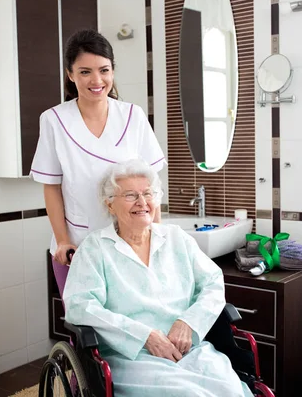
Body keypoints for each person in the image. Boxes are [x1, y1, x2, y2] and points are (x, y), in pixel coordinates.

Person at [63, 159, 253, 397]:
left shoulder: (176, 238)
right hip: (131, 356)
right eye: (131, 195)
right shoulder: (94, 248)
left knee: (230, 389)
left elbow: (213, 282)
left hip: (189, 348)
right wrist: (144, 336)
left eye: (148, 194)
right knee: (188, 394)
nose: (142, 202)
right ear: (110, 205)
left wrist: (189, 323)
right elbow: (80, 307)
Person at [30, 29, 166, 278]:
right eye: (85, 72)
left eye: (104, 70)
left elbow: (152, 185)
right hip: (78, 246)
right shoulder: (54, 120)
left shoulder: (132, 116)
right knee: (84, 316)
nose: (97, 80)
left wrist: (155, 236)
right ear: (70, 74)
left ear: (112, 71)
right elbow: (51, 187)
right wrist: (62, 241)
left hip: (132, 245)